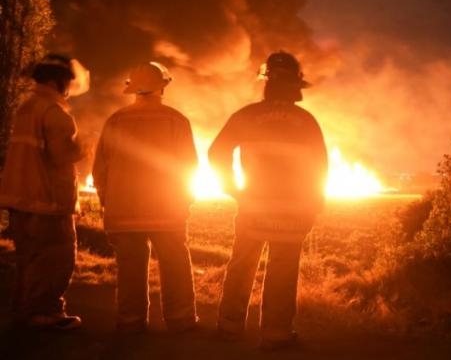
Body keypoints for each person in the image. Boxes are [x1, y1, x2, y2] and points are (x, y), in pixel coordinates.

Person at [209, 51, 328, 350]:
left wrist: (232, 187)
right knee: (283, 269)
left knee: (242, 264)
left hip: (253, 204)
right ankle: (277, 334)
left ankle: (229, 328)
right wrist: (314, 204)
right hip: (293, 208)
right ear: (295, 86)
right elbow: (320, 168)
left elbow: (216, 153)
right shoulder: (306, 121)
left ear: (267, 84)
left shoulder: (246, 115)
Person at [92, 61, 199, 333]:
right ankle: (181, 319)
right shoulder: (176, 120)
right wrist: (185, 200)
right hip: (166, 209)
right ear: (162, 87)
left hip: (124, 210)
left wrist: (108, 201)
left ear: (133, 89)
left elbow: (100, 168)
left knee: (130, 267)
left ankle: (130, 321)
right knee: (174, 263)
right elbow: (188, 166)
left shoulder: (116, 120)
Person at [0, 53, 89, 330]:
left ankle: (23, 311)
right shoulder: (54, 112)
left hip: (21, 200)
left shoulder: (27, 107)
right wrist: (85, 146)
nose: (68, 88)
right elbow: (62, 154)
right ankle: (44, 313)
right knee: (56, 258)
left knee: (29, 259)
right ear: (54, 80)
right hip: (47, 201)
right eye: (65, 82)